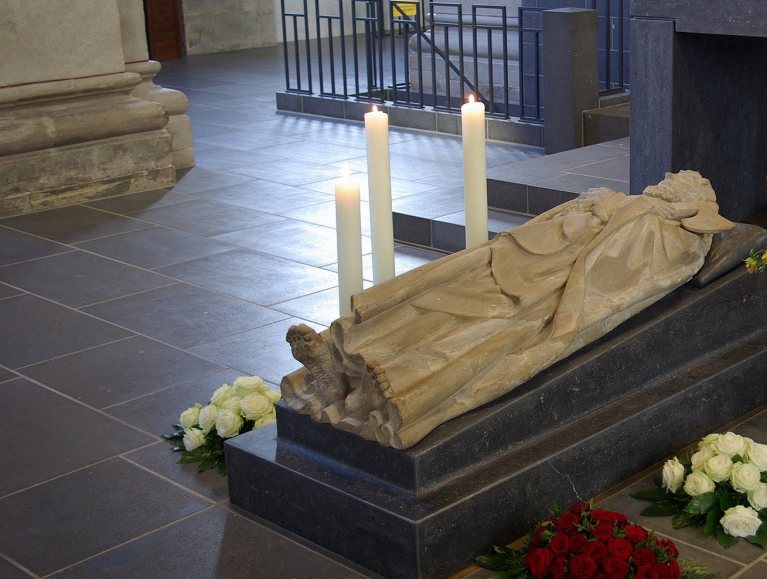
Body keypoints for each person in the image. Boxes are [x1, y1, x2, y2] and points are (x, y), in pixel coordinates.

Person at [282, 171, 734, 449]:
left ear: (686, 203)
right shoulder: (619, 199)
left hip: (548, 286)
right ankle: (340, 361)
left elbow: (613, 281)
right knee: (437, 297)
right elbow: (554, 219)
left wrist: (567, 305)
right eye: (672, 178)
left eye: (679, 184)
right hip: (518, 256)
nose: (668, 181)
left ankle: (378, 384)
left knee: (471, 323)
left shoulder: (673, 235)